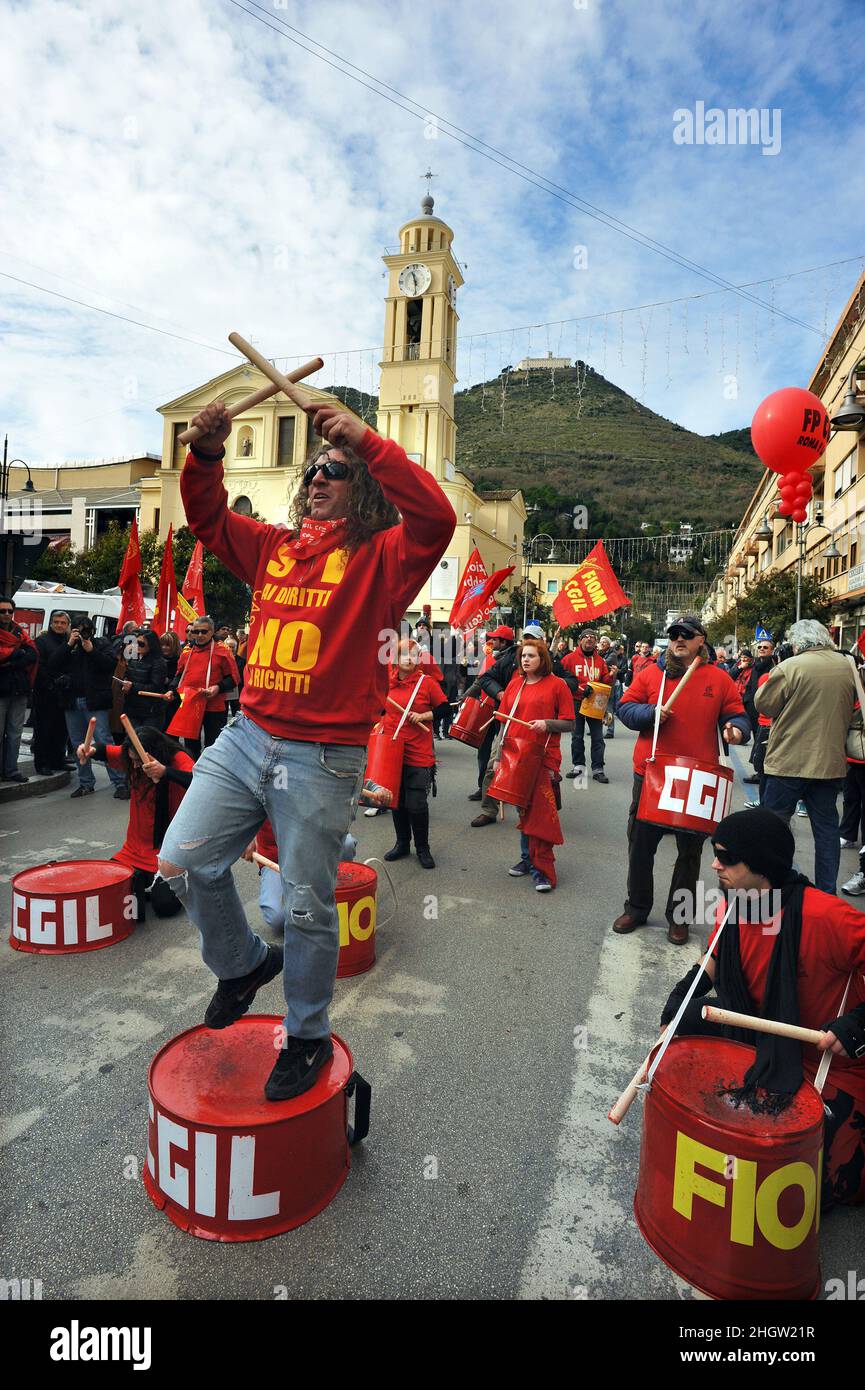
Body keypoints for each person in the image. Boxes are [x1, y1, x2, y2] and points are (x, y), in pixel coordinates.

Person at [155, 398, 455, 1102]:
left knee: (306, 907)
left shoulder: (384, 559)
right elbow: (204, 518)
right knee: (182, 861)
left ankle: (309, 1035)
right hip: (245, 733)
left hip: (321, 756)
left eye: (336, 470)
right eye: (315, 469)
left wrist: (367, 441)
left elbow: (437, 519)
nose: (319, 476)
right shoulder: (271, 547)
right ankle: (239, 966)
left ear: (365, 489)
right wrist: (204, 453)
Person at [660, 809, 865, 1209]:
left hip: (828, 1057)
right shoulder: (733, 905)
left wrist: (857, 1023)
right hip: (759, 1033)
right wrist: (687, 991)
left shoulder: (826, 916)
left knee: (818, 1190)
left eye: (727, 857)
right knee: (685, 1023)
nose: (715, 864)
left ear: (761, 863)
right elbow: (716, 956)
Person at [613, 614, 749, 945]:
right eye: (674, 634)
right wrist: (650, 713)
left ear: (701, 640)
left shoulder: (719, 679)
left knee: (690, 853)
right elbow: (624, 709)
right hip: (652, 773)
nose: (679, 639)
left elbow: (737, 715)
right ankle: (638, 906)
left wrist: (736, 730)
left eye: (686, 635)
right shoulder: (650, 675)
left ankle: (680, 916)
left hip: (696, 778)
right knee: (640, 846)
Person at [755, 619, 854, 895]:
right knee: (826, 831)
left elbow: (763, 704)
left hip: (788, 762)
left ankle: (774, 886)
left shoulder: (791, 667)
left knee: (775, 827)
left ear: (797, 642)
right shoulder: (847, 667)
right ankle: (826, 893)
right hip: (830, 764)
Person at [79, 725, 194, 920]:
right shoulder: (130, 757)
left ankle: (185, 879)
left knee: (164, 907)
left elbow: (200, 780)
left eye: (138, 761)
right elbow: (104, 750)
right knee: (105, 890)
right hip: (134, 850)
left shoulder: (176, 758)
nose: (133, 766)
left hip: (168, 852)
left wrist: (165, 772)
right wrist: (88, 750)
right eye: (131, 760)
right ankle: (144, 880)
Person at [497, 637, 575, 890]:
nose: (525, 660)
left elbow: (570, 723)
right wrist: (499, 758)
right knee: (523, 809)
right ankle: (526, 859)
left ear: (543, 660)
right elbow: (505, 722)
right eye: (523, 656)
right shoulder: (514, 685)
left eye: (531, 656)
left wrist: (547, 723)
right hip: (516, 755)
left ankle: (541, 868)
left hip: (543, 756)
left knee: (540, 813)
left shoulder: (558, 686)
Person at [382, 638, 448, 868]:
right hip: (391, 750)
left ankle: (423, 847)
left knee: (416, 803)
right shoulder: (386, 684)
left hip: (418, 752)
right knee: (396, 801)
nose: (409, 659)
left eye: (413, 654)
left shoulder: (426, 683)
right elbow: (378, 709)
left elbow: (443, 708)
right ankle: (402, 844)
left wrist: (423, 716)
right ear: (395, 659)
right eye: (404, 654)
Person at [48, 617, 129, 799]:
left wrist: (91, 650)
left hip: (95, 701)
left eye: (86, 630)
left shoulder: (101, 644)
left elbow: (110, 665)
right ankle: (85, 783)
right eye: (78, 630)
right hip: (72, 701)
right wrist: (69, 645)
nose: (83, 634)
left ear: (92, 631)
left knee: (104, 741)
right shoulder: (69, 646)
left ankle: (120, 782)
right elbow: (52, 665)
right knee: (78, 744)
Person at [165, 615, 240, 752]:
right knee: (190, 745)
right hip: (190, 704)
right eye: (196, 631)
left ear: (212, 632)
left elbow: (233, 679)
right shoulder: (187, 652)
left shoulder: (223, 651)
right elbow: (179, 676)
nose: (199, 635)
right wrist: (171, 690)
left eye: (204, 631)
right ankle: (191, 772)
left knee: (212, 745)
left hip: (214, 707)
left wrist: (217, 688)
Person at [463, 623, 515, 800]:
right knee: (483, 749)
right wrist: (465, 696)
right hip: (486, 709)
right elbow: (480, 682)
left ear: (504, 641)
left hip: (506, 712)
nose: (491, 641)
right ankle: (482, 787)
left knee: (502, 752)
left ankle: (502, 788)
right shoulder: (489, 658)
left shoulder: (515, 660)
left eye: (495, 639)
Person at [563, 628, 610, 782]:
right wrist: (579, 688)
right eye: (586, 637)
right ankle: (578, 767)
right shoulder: (569, 659)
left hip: (595, 702)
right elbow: (562, 679)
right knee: (577, 736)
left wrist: (612, 676)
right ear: (580, 640)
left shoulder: (600, 661)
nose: (589, 639)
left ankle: (598, 769)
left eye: (592, 637)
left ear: (595, 642)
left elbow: (605, 681)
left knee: (597, 737)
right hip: (576, 700)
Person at [32, 610, 75, 775]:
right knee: (44, 730)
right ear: (51, 623)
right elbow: (43, 666)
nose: (59, 625)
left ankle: (58, 760)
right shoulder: (42, 641)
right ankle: (42, 763)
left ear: (67, 625)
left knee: (61, 730)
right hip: (45, 692)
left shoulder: (69, 640)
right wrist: (50, 684)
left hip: (64, 693)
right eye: (56, 622)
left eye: (63, 623)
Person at [0, 597, 37, 783]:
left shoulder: (19, 631)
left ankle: (11, 770)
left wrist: (11, 661)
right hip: (2, 690)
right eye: (2, 611)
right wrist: (17, 654)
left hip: (18, 689)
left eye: (9, 611)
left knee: (15, 733)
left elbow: (32, 654)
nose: (6, 614)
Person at [121, 629, 168, 728]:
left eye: (141, 644)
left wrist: (132, 687)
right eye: (136, 642)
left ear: (151, 645)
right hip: (132, 708)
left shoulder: (158, 662)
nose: (137, 645)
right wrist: (125, 684)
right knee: (132, 740)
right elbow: (128, 675)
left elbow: (156, 687)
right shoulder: (133, 658)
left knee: (146, 741)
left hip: (151, 711)